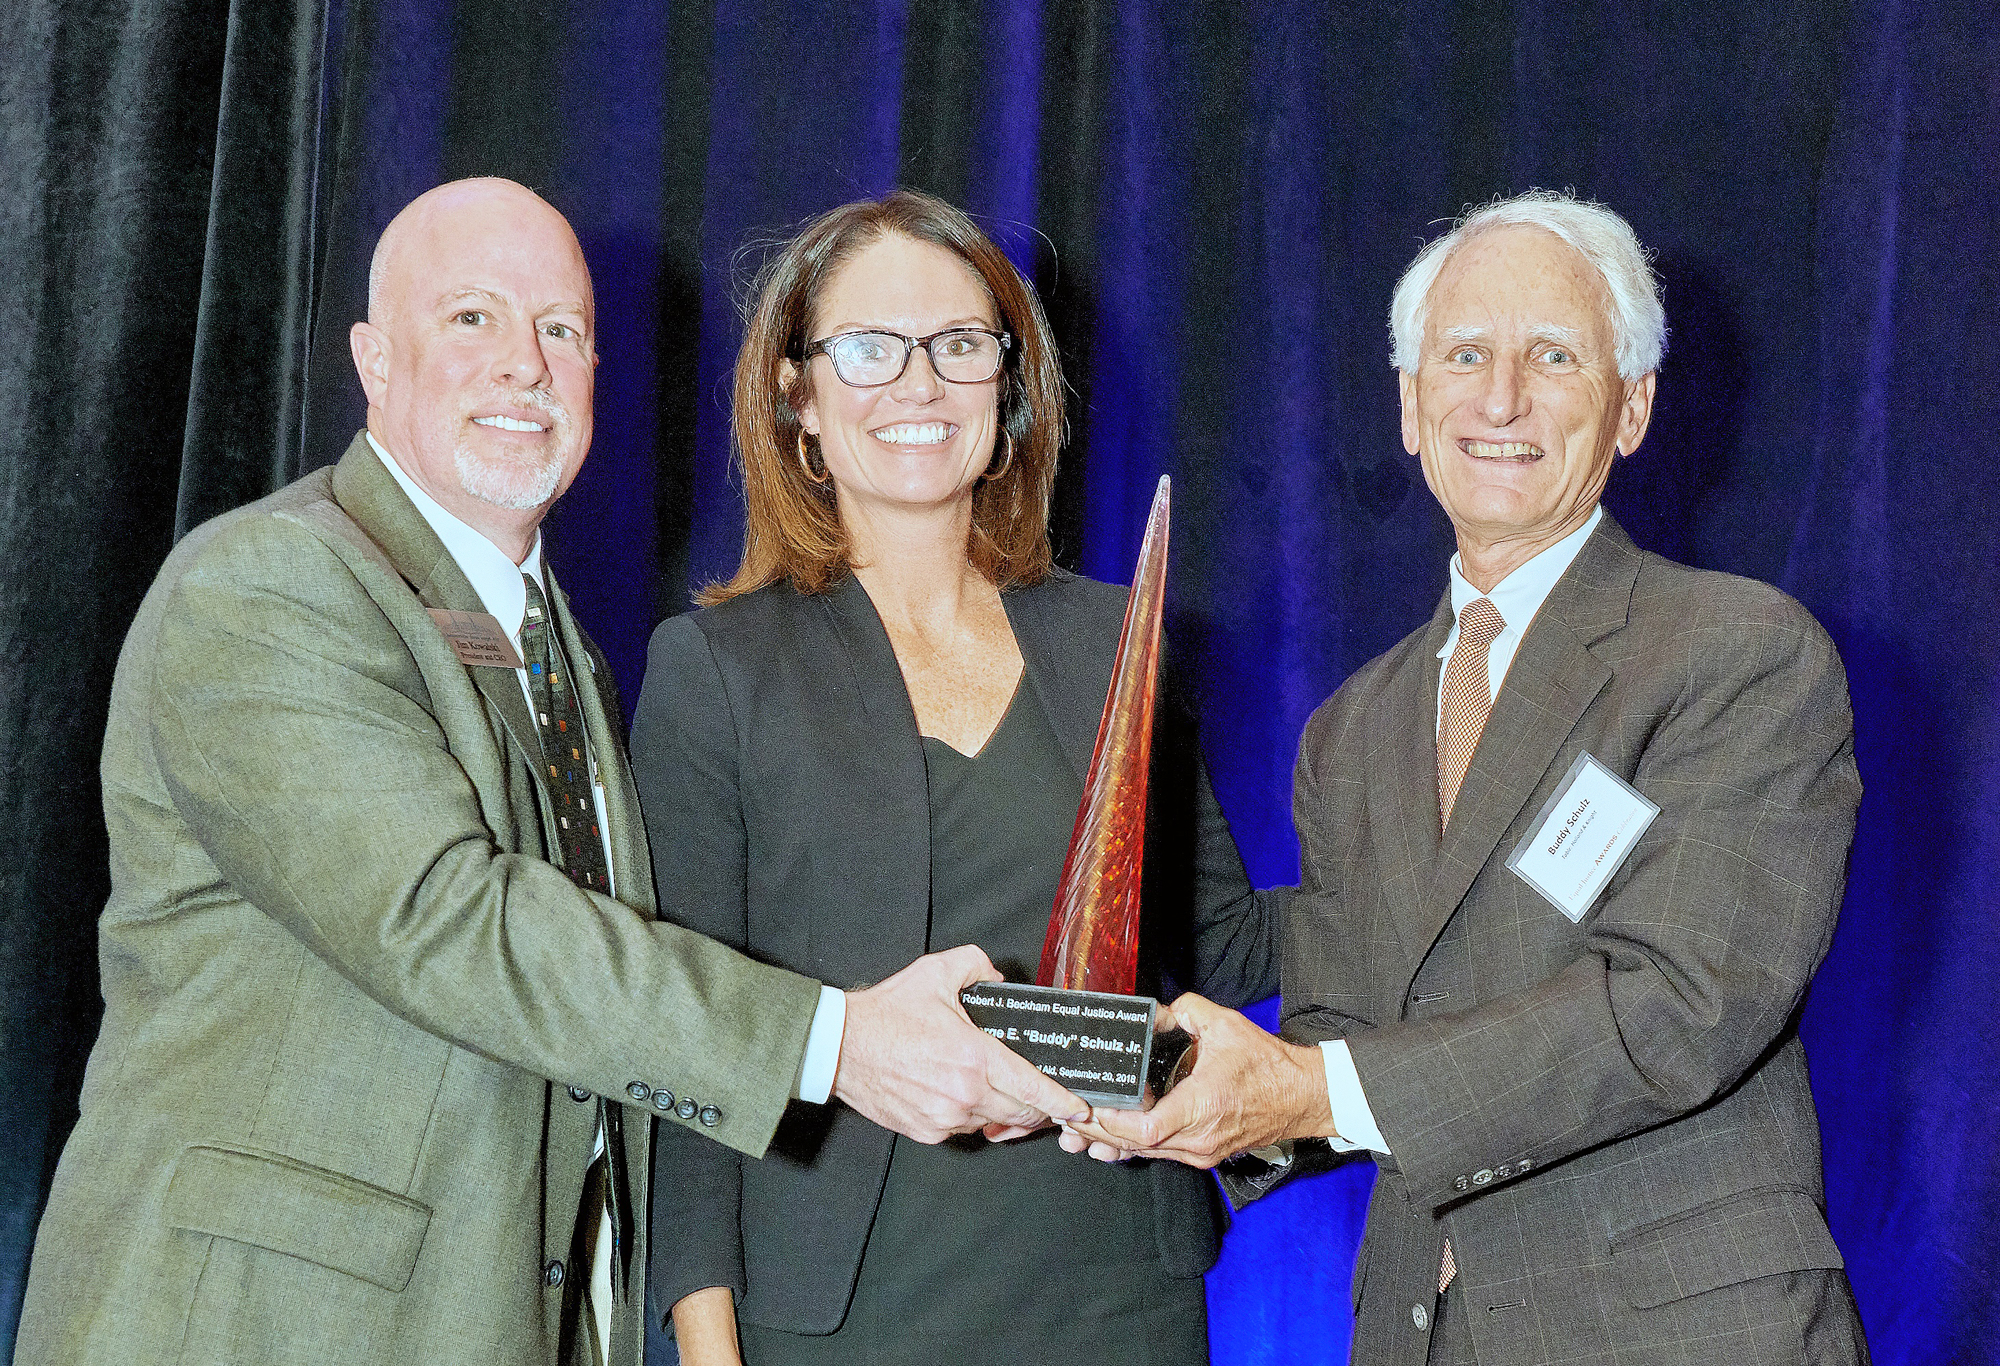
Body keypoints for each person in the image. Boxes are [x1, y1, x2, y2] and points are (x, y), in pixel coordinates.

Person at [14, 178, 1083, 1366]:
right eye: (471, 318)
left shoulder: (559, 650)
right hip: (259, 1325)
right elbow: (445, 919)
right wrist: (838, 1041)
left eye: (559, 330)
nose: (522, 364)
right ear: (373, 361)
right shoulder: (269, 586)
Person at [1073, 191, 1871, 1364]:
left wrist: (1301, 1089)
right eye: (1462, 355)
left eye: (1551, 356)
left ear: (1631, 407)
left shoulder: (1736, 654)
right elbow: (1339, 1041)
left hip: (1681, 1332)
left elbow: (1679, 1006)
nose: (1499, 399)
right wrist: (1178, 1099)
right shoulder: (1350, 730)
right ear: (1408, 404)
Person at [629, 189, 1281, 1366]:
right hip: (836, 1312)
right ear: (798, 397)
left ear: (1008, 385)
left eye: (958, 346)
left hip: (1115, 1297)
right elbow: (684, 1051)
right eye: (869, 349)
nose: (918, 383)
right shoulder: (715, 669)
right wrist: (704, 1346)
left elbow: (1225, 942)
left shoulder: (1109, 637)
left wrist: (1464, 851)